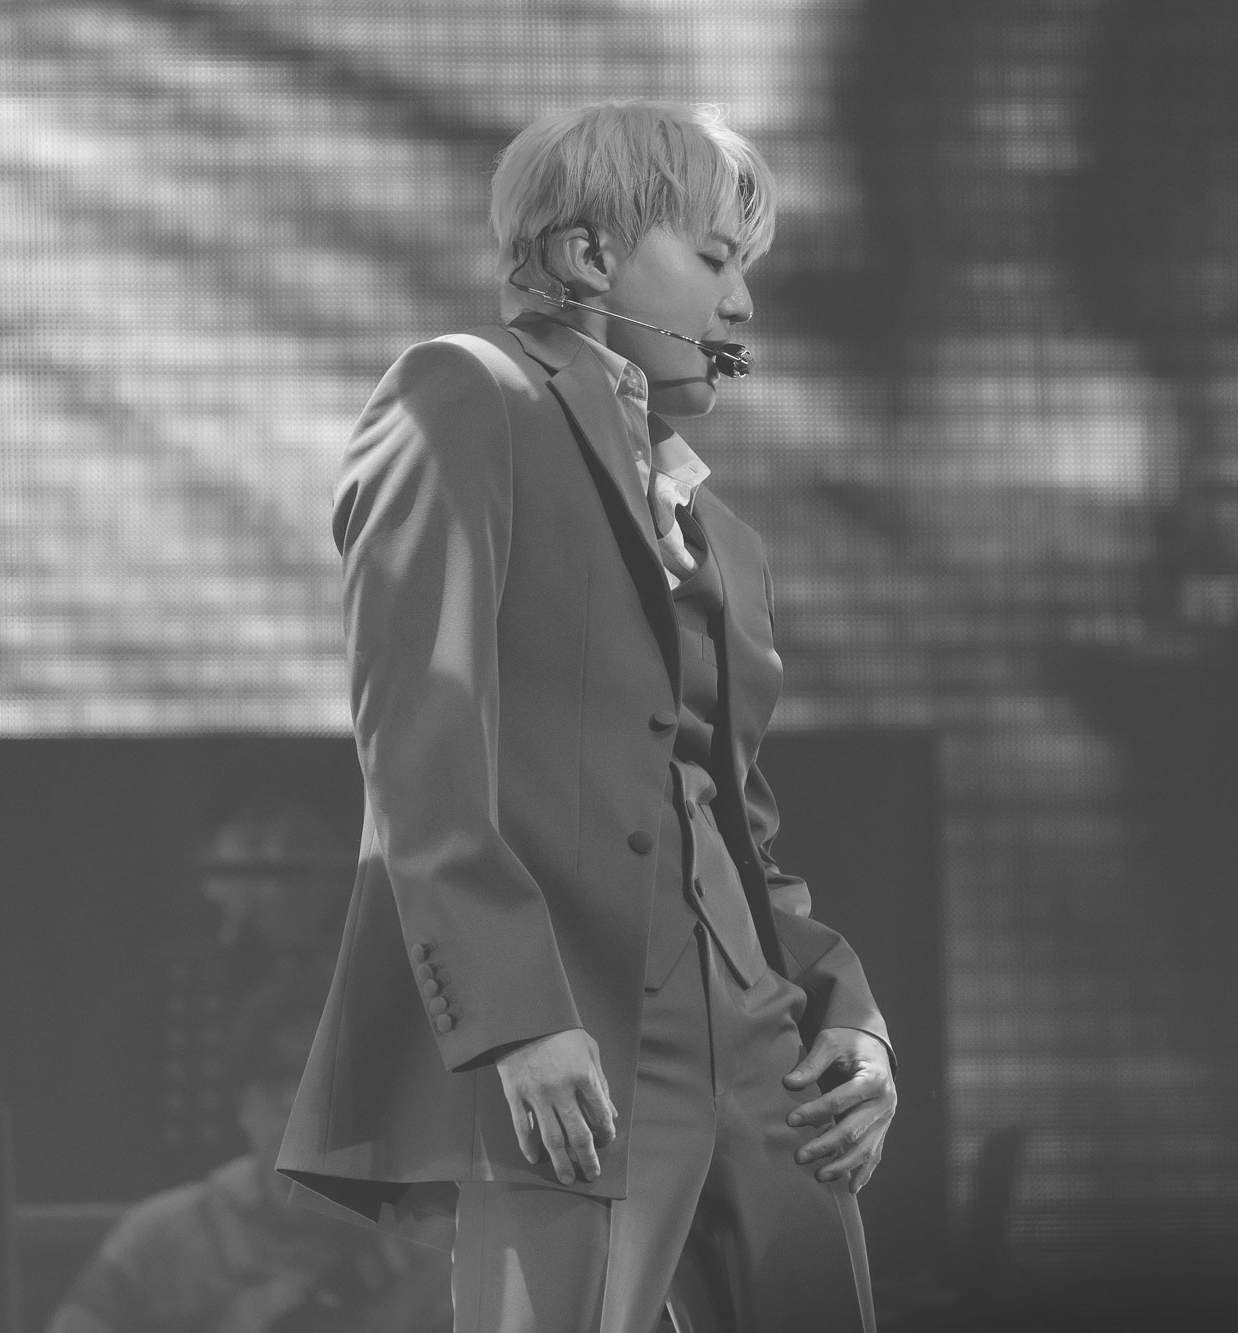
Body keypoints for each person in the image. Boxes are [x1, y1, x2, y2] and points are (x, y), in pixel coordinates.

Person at [275, 100, 897, 1332]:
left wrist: (849, 1017)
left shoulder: (722, 537)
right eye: (712, 261)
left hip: (764, 1047)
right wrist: (514, 1021)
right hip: (578, 1028)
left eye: (746, 272)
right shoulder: (467, 393)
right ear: (587, 255)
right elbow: (420, 746)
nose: (741, 306)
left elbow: (736, 827)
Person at [50, 963, 454, 1333]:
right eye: (274, 1079)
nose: (295, 1102)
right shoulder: (158, 1241)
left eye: (322, 1080)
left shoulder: (435, 1246)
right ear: (242, 1104)